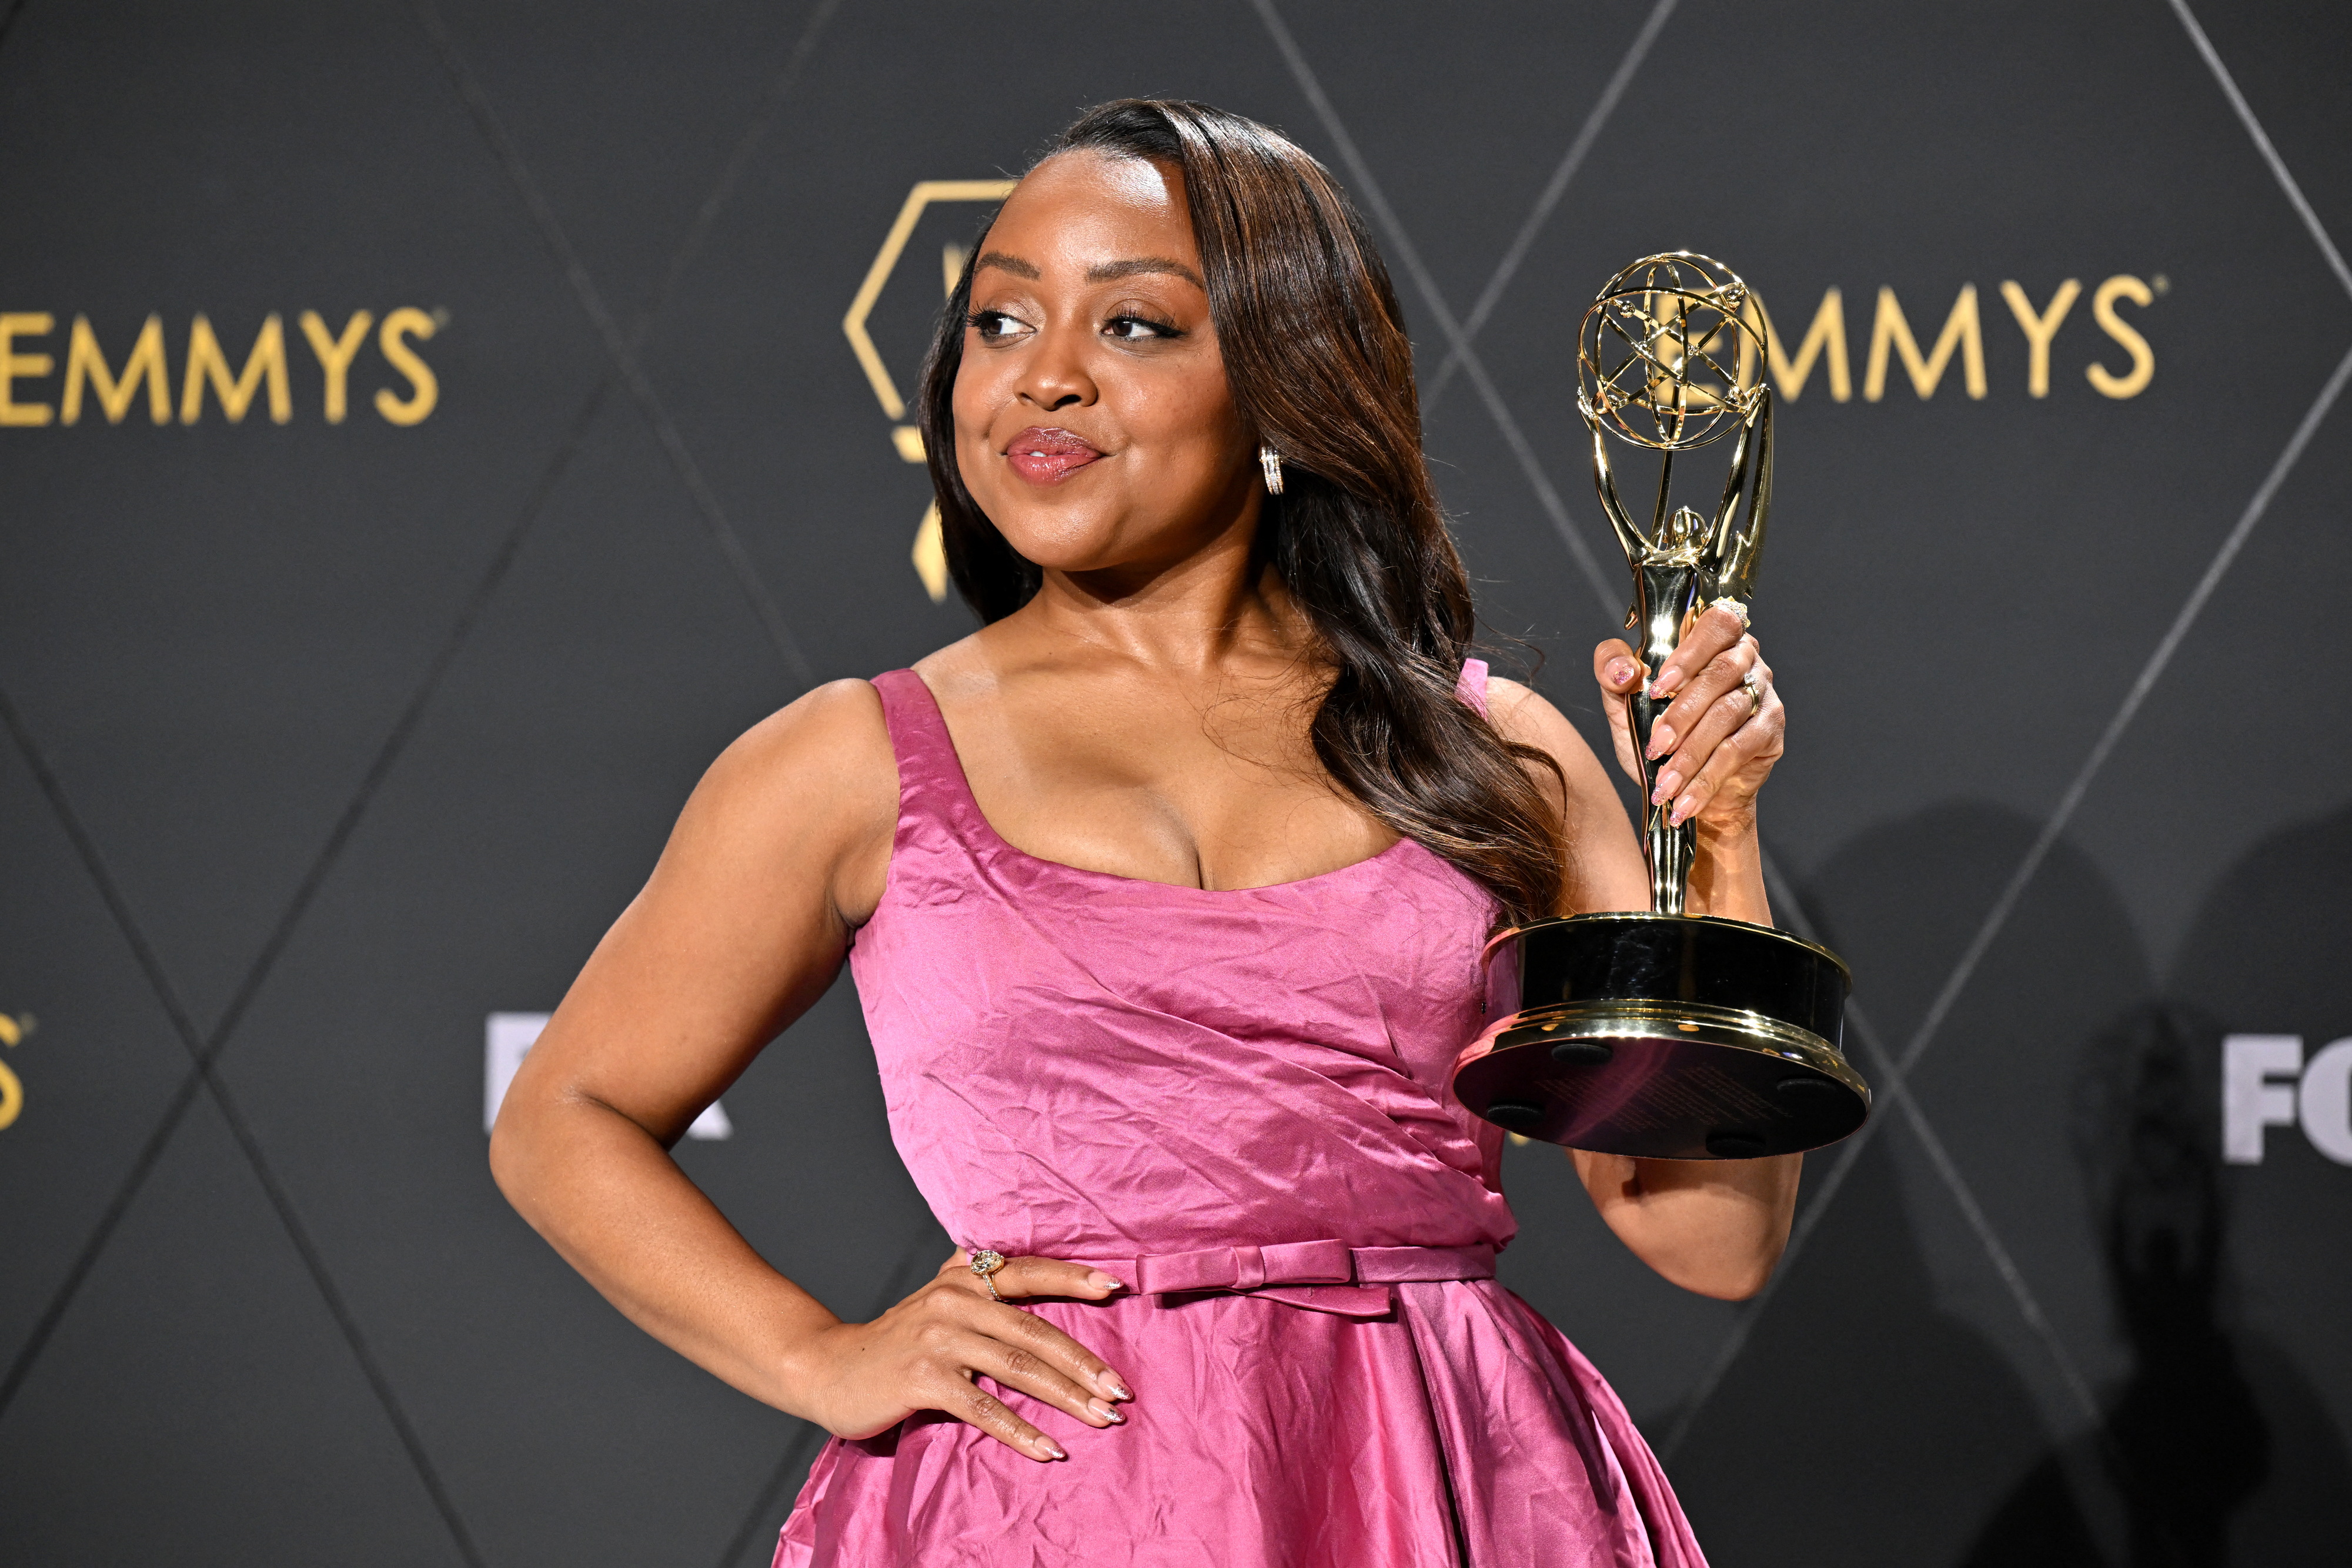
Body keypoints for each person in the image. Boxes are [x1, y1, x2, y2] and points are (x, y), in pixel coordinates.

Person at [490, 98, 1798, 1567]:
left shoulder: (1495, 752)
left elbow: (1708, 1235)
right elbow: (563, 1116)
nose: (1040, 379)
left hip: (1444, 1485)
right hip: (1041, 1507)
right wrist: (817, 1356)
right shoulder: (847, 761)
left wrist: (1719, 838)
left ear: (1282, 378)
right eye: (996, 322)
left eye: (1133, 328)